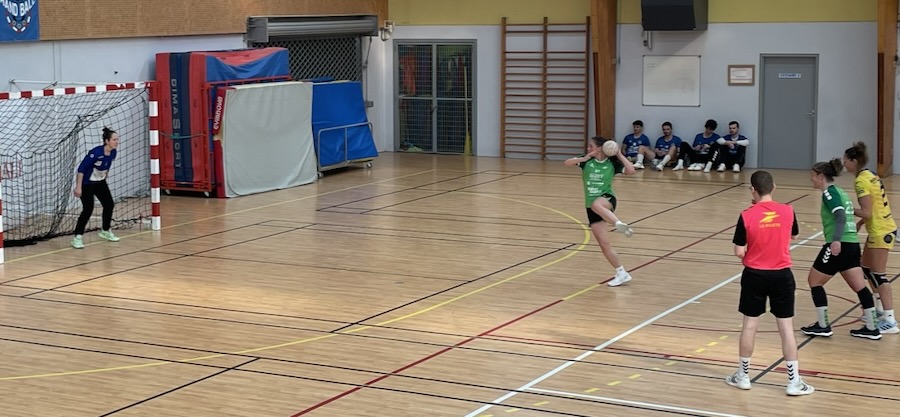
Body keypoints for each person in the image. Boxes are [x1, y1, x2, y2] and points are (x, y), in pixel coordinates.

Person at [726, 170, 814, 396]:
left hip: (754, 274)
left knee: (750, 325)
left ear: (752, 190)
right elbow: (794, 235)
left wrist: (751, 255)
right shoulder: (788, 210)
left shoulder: (746, 215)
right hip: (782, 275)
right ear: (774, 187)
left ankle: (743, 377)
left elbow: (739, 251)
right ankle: (793, 382)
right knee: (786, 328)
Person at [800, 159, 881, 340]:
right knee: (860, 287)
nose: (811, 179)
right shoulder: (841, 192)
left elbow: (841, 216)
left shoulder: (829, 193)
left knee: (814, 281)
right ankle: (872, 327)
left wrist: (835, 241)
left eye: (812, 175)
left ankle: (823, 326)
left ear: (821, 176)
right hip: (852, 245)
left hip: (839, 244)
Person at [565, 136, 636, 287]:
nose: (588, 149)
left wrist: (619, 154)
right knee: (604, 245)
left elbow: (631, 171)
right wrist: (584, 158)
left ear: (599, 148)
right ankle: (622, 273)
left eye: (591, 146)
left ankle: (618, 224)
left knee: (597, 204)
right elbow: (567, 163)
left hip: (607, 199)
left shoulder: (612, 163)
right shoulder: (587, 161)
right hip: (590, 206)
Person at [843, 142, 898, 334]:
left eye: (846, 160)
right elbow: (875, 206)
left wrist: (846, 209)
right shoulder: (870, 174)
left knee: (879, 275)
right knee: (865, 268)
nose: (844, 163)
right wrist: (861, 223)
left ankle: (890, 320)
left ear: (854, 161)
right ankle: (879, 309)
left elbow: (866, 211)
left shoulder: (861, 181)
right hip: (880, 228)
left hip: (881, 231)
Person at [71, 127, 121, 249]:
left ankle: (105, 230)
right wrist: (78, 187)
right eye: (114, 140)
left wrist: (105, 175)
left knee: (109, 204)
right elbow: (81, 170)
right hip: (87, 184)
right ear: (107, 141)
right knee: (88, 209)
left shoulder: (113, 152)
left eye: (117, 139)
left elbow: (107, 165)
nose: (117, 142)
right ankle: (77, 237)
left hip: (100, 183)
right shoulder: (96, 153)